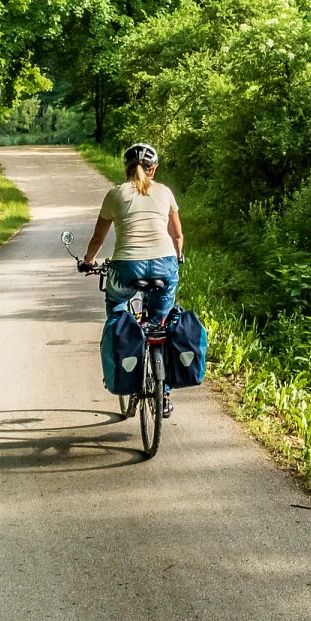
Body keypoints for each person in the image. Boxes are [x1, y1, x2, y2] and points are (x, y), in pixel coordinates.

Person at [82, 142, 184, 416]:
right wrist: (178, 257)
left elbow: (98, 238)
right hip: (165, 265)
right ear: (154, 169)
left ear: (126, 169)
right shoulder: (165, 192)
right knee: (161, 323)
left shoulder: (115, 194)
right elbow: (177, 237)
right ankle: (163, 393)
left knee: (117, 310)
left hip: (126, 267)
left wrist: (88, 261)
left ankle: (124, 368)